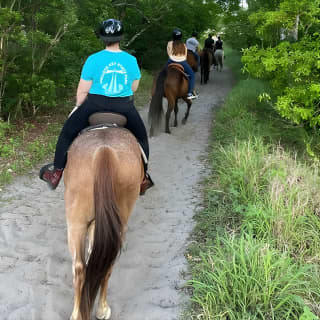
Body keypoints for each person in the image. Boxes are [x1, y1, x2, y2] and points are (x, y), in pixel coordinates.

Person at [39, 18, 154, 194]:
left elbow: (82, 91)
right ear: (120, 37)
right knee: (142, 138)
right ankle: (142, 178)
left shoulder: (93, 59)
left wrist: (77, 106)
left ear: (102, 38)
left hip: (94, 105)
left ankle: (56, 173)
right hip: (123, 107)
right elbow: (133, 88)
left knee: (66, 135)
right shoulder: (130, 60)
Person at [166, 28, 198, 100]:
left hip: (171, 60)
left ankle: (158, 91)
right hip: (182, 62)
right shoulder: (184, 45)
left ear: (173, 36)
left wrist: (173, 58)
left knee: (162, 74)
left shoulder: (169, 43)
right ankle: (190, 93)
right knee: (192, 75)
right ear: (181, 36)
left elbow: (168, 53)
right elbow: (185, 56)